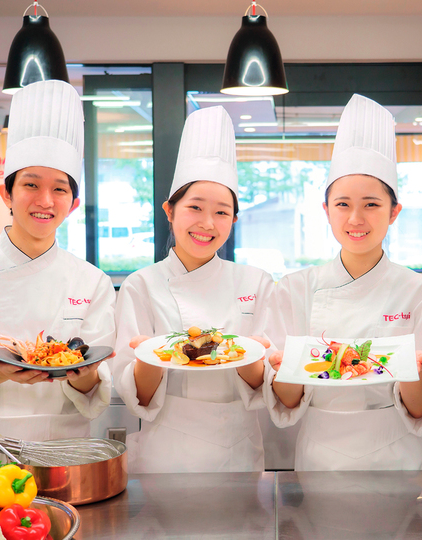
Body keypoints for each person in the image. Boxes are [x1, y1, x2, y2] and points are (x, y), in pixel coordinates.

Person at [265, 94, 422, 471]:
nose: (355, 218)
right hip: (319, 459)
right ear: (326, 211)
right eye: (343, 204)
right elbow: (284, 403)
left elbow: (420, 409)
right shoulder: (293, 290)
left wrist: (411, 372)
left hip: (398, 457)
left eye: (371, 204)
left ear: (394, 212)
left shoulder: (421, 293)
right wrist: (283, 367)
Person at [0, 80, 116, 441]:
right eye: (31, 185)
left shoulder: (93, 281)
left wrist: (84, 373)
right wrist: (3, 371)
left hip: (66, 445)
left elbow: (94, 389)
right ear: (7, 194)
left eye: (60, 189)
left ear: (73, 204)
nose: (45, 200)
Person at [112, 106, 273, 473]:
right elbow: (136, 395)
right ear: (169, 211)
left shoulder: (256, 282)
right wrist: (146, 358)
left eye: (221, 212)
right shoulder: (141, 284)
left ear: (234, 219)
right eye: (195, 207)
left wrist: (252, 358)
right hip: (166, 453)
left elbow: (267, 389)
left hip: (240, 454)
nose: (206, 223)